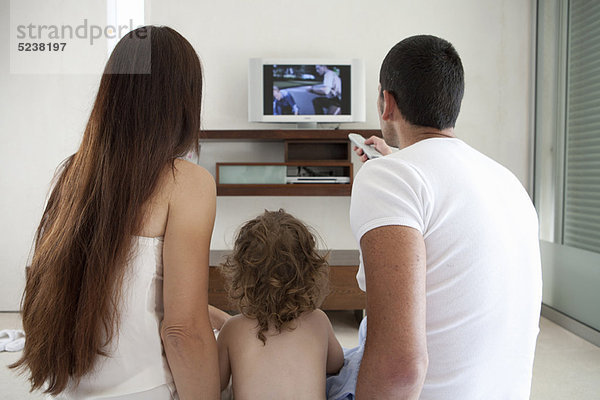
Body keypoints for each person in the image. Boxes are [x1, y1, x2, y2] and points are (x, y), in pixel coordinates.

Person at [10, 26, 220, 399]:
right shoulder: (188, 181)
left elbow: (124, 283)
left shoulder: (72, 174)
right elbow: (182, 331)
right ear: (185, 99)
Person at [340, 35, 543, 399]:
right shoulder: (507, 181)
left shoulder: (388, 178)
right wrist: (397, 163)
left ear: (387, 103)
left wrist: (391, 171)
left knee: (285, 363)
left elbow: (400, 367)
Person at [217, 209, 344, 399]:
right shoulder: (318, 320)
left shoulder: (232, 329)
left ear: (243, 274)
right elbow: (336, 363)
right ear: (309, 272)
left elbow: (215, 382)